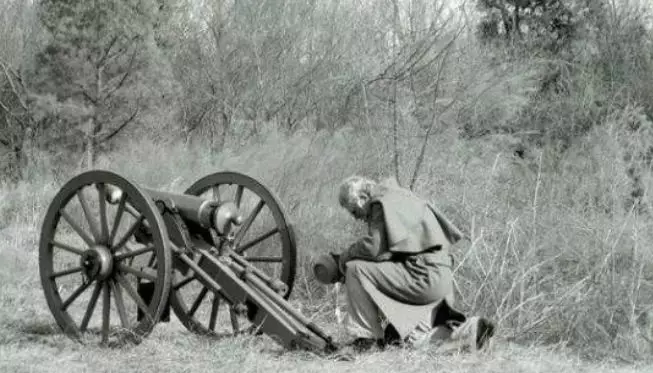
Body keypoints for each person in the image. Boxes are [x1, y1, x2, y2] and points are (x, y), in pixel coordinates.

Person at [312, 175, 495, 356]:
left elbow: (373, 248)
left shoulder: (380, 203)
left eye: (353, 211)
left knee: (355, 269)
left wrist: (341, 260)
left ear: (362, 198)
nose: (356, 218)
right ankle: (469, 332)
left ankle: (365, 339)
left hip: (422, 278)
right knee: (401, 339)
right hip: (439, 281)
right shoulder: (401, 196)